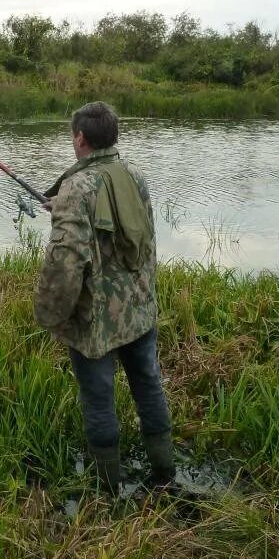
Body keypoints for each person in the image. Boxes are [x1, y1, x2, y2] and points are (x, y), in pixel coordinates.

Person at [34, 101, 174, 494]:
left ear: (80, 137)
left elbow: (65, 263)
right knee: (148, 384)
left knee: (99, 399)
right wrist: (60, 208)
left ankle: (107, 491)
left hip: (96, 321)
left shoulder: (76, 188)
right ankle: (164, 476)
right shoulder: (134, 174)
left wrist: (48, 314)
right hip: (140, 310)